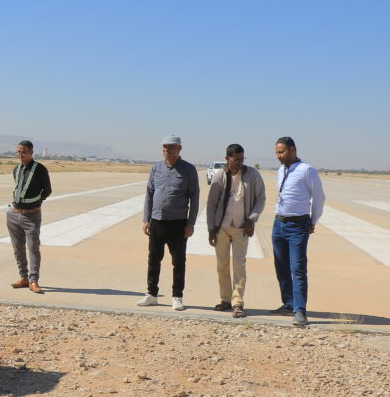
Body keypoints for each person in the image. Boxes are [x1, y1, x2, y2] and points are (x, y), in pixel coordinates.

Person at [137, 135, 199, 310]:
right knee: (153, 259)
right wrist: (146, 219)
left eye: (171, 147)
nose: (167, 150)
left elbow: (194, 198)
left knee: (178, 262)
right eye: (164, 147)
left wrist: (191, 223)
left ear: (179, 149)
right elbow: (149, 194)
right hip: (157, 221)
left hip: (178, 223)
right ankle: (151, 294)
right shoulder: (156, 168)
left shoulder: (188, 170)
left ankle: (177, 296)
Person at [206, 144, 266, 318]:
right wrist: (211, 229)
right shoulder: (220, 176)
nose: (239, 162)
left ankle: (237, 302)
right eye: (236, 159)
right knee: (222, 265)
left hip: (242, 228)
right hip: (221, 228)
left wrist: (251, 219)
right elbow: (211, 205)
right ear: (227, 159)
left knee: (239, 266)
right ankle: (225, 300)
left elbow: (261, 198)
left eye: (242, 159)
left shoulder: (252, 175)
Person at [270, 136, 325, 327]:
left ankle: (300, 311)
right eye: (277, 152)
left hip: (298, 226)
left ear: (292, 150)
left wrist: (313, 220)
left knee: (298, 269)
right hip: (279, 224)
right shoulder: (281, 170)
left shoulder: (307, 170)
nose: (278, 156)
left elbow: (319, 198)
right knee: (281, 266)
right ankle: (288, 303)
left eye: (281, 152)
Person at [7, 140, 52, 293]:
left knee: (33, 249)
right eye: (18, 152)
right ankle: (24, 277)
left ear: (31, 152)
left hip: (32, 216)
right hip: (14, 214)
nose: (20, 155)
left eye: (24, 152)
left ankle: (34, 280)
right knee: (18, 248)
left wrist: (35, 202)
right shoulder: (17, 169)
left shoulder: (40, 169)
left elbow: (47, 190)